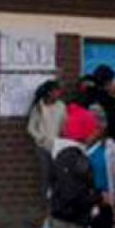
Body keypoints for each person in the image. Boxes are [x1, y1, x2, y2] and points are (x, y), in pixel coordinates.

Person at [26, 79, 66, 207]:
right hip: (43, 146)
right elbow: (31, 127)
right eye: (56, 91)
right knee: (45, 174)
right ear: (49, 93)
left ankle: (58, 201)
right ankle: (45, 203)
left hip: (58, 145)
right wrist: (40, 138)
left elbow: (65, 123)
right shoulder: (39, 107)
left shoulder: (61, 106)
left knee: (58, 174)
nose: (59, 93)